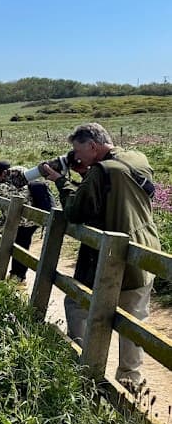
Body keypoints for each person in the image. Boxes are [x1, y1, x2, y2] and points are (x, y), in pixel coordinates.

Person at [41, 122, 159, 392]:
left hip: (106, 256)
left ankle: (83, 363)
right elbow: (115, 195)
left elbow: (76, 211)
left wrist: (61, 180)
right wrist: (87, 175)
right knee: (134, 319)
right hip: (144, 248)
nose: (76, 157)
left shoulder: (102, 171)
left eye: (78, 151)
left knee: (77, 303)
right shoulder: (137, 159)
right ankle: (131, 380)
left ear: (93, 146)